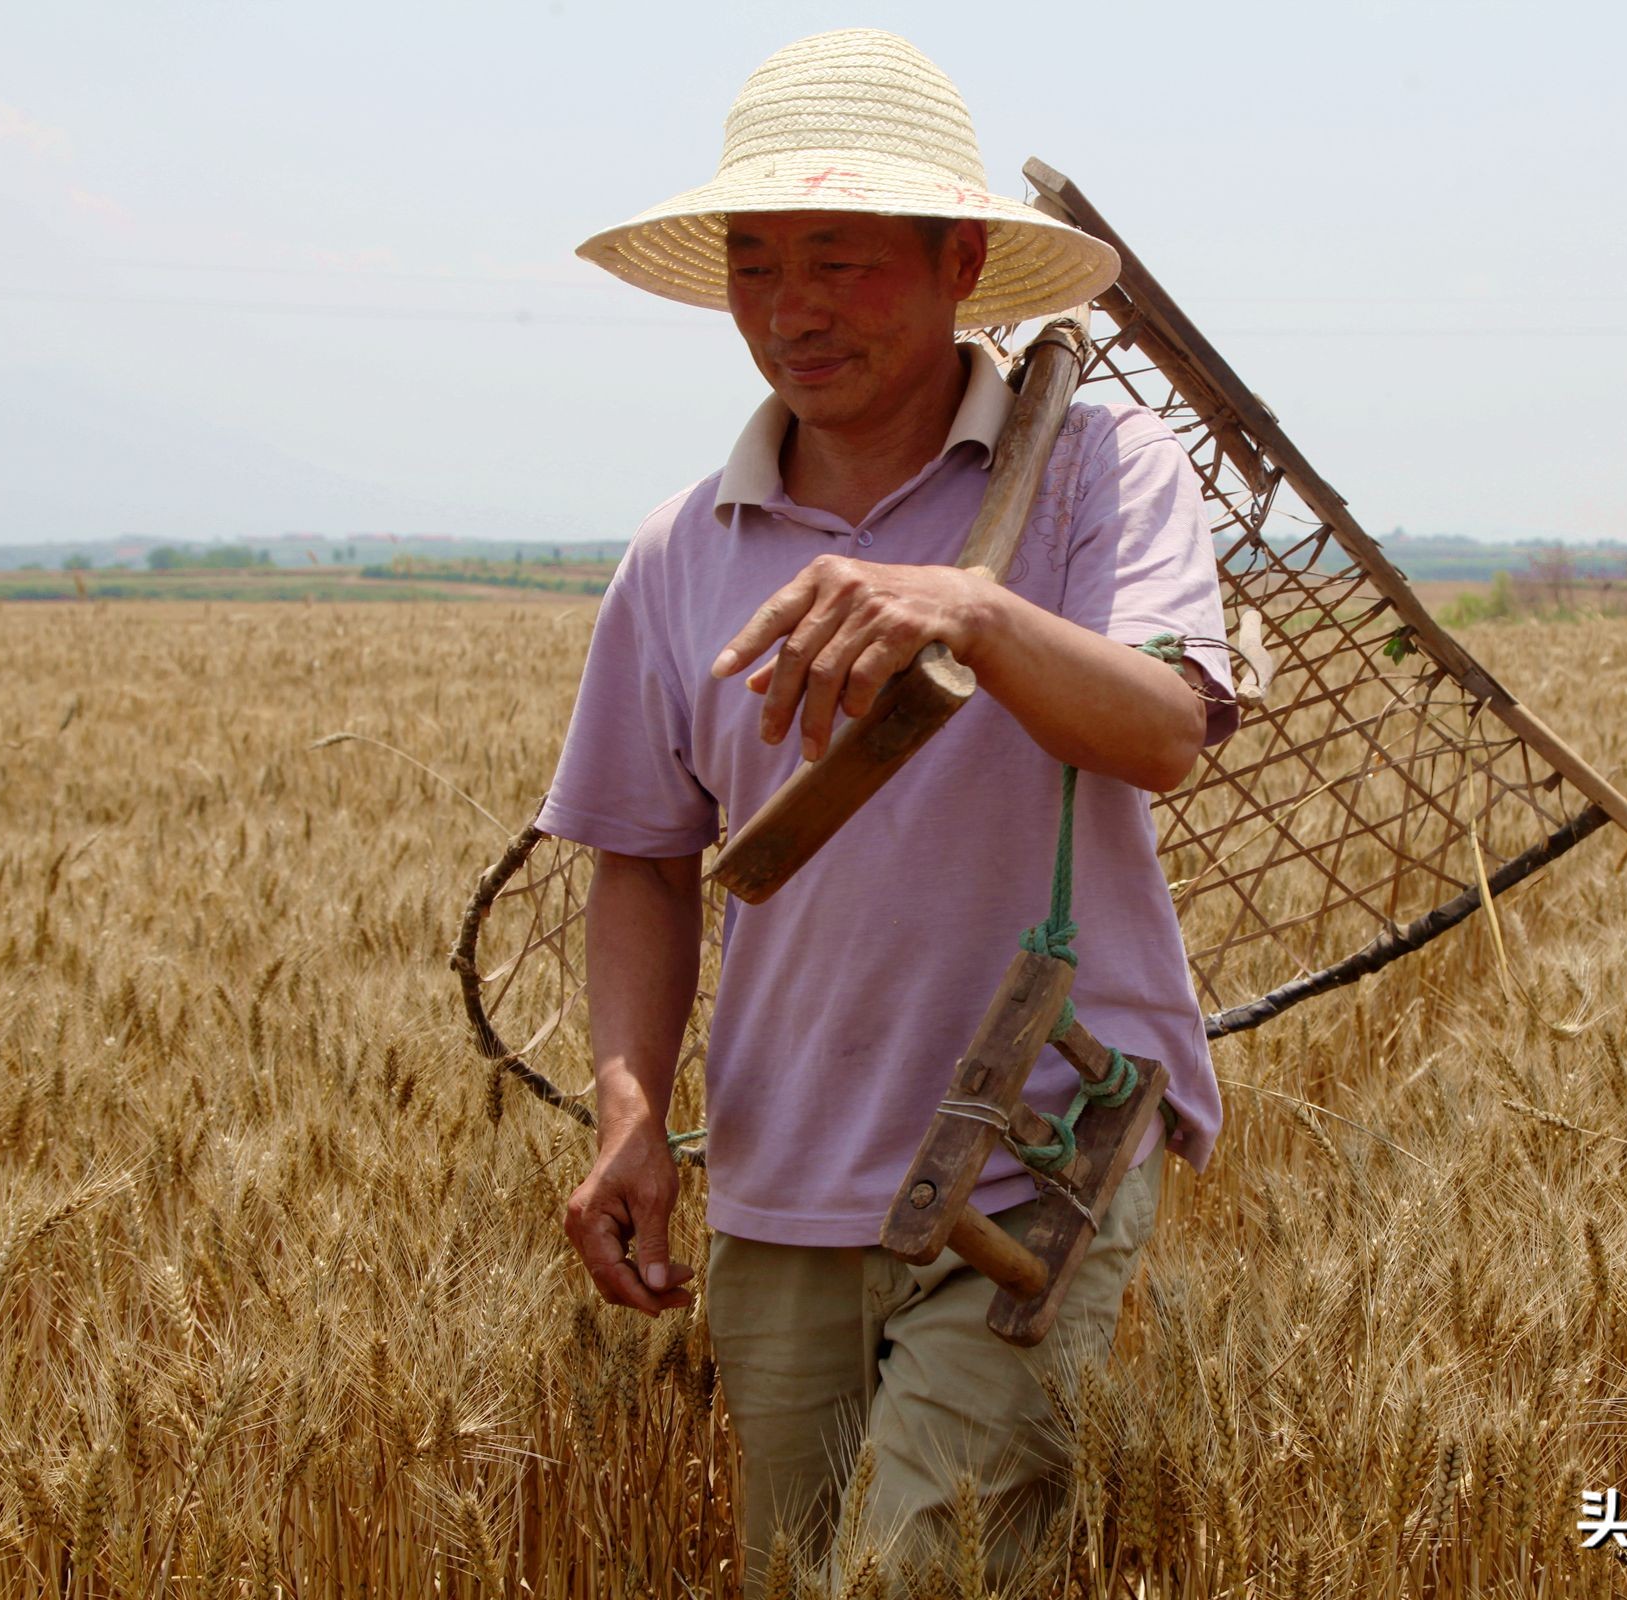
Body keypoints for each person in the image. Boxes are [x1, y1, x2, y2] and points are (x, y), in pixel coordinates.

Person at [536, 28, 1238, 1588]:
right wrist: (634, 1115)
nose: (793, 310)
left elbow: (1169, 730)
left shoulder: (1092, 477)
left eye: (842, 262)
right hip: (783, 1182)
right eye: (758, 266)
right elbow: (645, 864)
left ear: (957, 266)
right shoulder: (681, 550)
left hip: (1030, 1154)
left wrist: (971, 612)